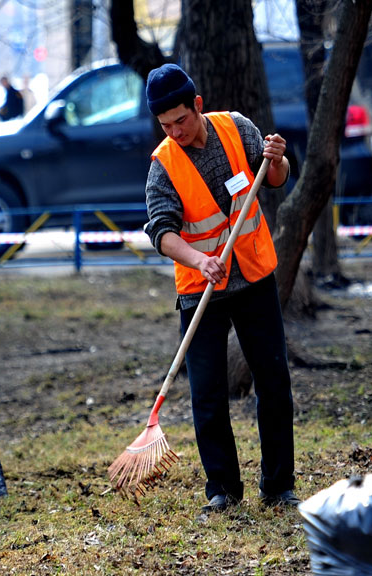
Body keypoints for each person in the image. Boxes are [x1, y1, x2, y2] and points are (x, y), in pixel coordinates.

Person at [142, 63, 298, 513]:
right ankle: (223, 490)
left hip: (252, 276)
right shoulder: (163, 166)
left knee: (273, 382)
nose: (175, 132)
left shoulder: (237, 130)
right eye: (165, 125)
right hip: (199, 289)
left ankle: (279, 486)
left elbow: (276, 179)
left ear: (198, 105)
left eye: (181, 120)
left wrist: (277, 158)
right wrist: (199, 259)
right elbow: (162, 233)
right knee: (207, 392)